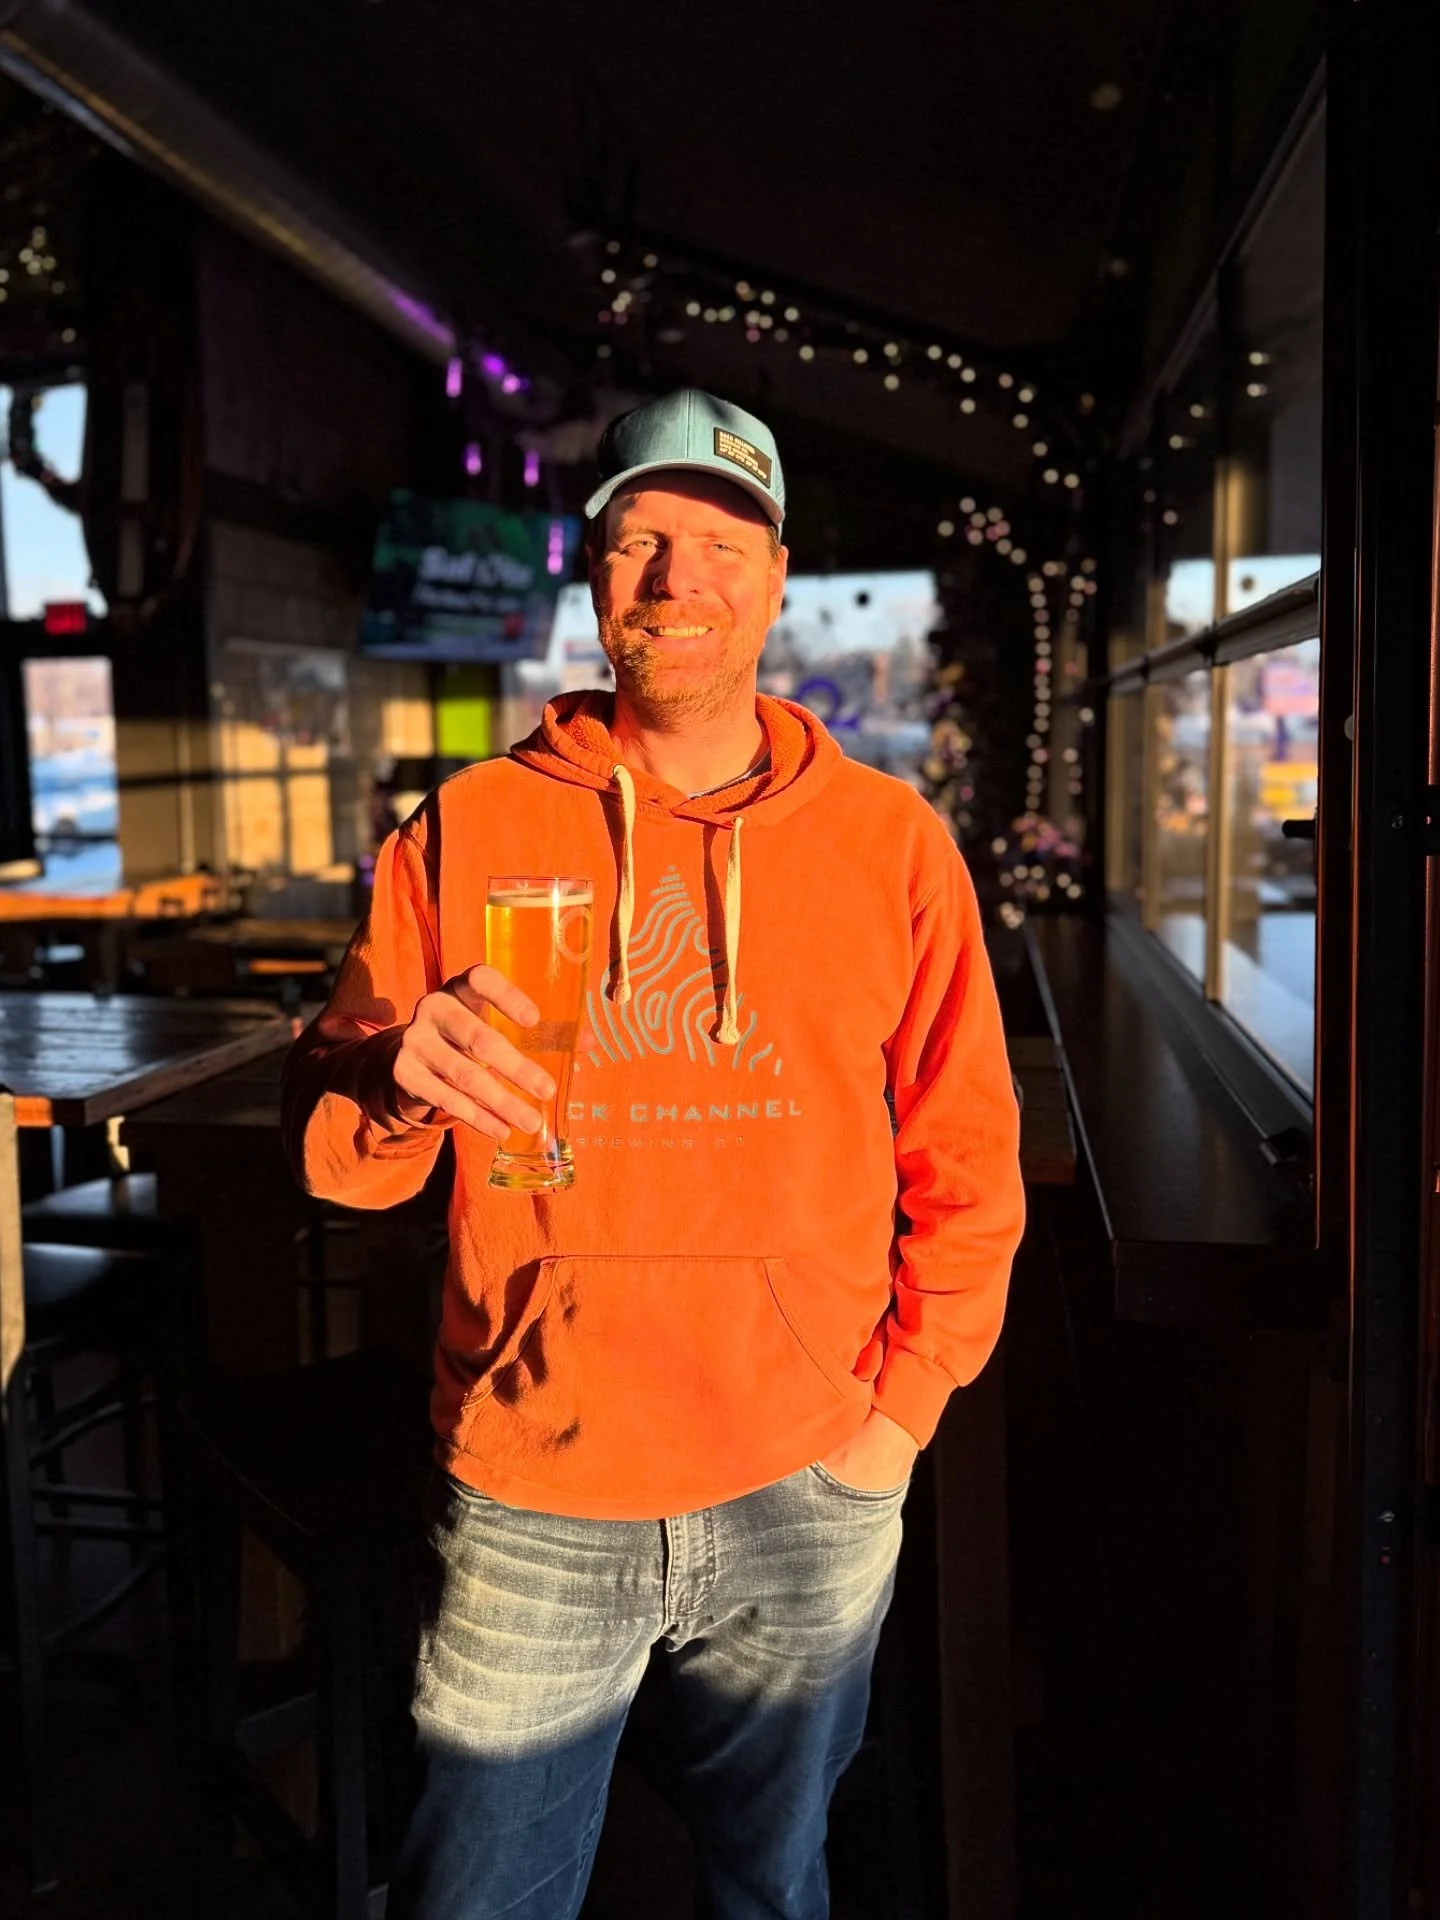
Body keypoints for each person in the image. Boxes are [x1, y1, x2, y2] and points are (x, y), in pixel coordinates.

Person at [281, 388, 1026, 1919]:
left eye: (715, 542)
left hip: (804, 1476)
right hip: (537, 1475)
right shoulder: (466, 825)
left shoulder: (893, 845)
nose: (676, 578)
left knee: (774, 1885)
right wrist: (394, 1074)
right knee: (477, 1903)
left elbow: (967, 1161)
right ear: (593, 581)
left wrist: (892, 1425)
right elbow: (346, 1163)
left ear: (774, 574)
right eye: (638, 543)